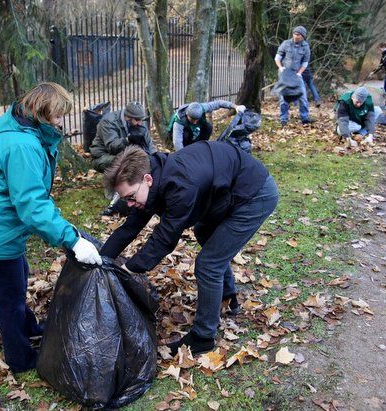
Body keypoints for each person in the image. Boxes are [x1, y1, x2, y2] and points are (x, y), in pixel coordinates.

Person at [0, 82, 102, 373]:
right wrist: (72, 240)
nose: (61, 121)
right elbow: (32, 205)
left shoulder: (25, 134)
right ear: (42, 113)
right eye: (58, 115)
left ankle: (30, 328)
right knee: (9, 297)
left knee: (18, 277)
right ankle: (20, 358)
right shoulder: (21, 145)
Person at [99, 143, 279, 355]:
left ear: (147, 180)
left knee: (208, 265)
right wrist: (102, 258)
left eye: (130, 197)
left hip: (254, 194)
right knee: (203, 232)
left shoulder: (180, 186)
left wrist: (130, 268)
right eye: (124, 199)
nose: (128, 204)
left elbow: (165, 238)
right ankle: (227, 296)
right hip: (225, 193)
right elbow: (130, 227)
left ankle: (203, 337)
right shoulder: (154, 179)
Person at [89, 101, 156, 172]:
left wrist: (155, 157)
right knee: (132, 162)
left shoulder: (138, 123)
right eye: (137, 120)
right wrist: (127, 140)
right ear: (127, 117)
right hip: (103, 156)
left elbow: (150, 145)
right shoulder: (108, 122)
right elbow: (112, 147)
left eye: (141, 120)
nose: (140, 123)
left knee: (150, 162)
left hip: (127, 154)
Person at [275, 26, 315, 126]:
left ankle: (304, 117)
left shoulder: (305, 47)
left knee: (303, 96)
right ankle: (283, 118)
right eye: (295, 34)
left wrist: (299, 73)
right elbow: (277, 58)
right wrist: (281, 68)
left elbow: (305, 63)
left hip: (297, 74)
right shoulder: (285, 43)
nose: (296, 36)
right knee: (284, 97)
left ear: (303, 37)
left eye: (298, 35)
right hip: (285, 74)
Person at [167, 100, 246, 150]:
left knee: (208, 127)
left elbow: (218, 103)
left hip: (193, 131)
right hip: (181, 135)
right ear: (187, 114)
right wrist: (184, 156)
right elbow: (177, 143)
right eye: (192, 119)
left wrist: (236, 107)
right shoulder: (179, 121)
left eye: (196, 119)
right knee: (186, 135)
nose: (195, 122)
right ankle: (189, 149)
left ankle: (200, 148)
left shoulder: (202, 108)